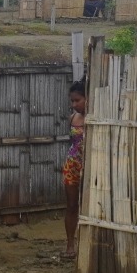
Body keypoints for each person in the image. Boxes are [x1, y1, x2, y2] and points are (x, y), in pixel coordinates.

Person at [63, 80, 87, 258]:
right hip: (72, 166)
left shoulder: (96, 118)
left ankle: (87, 243)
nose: (74, 104)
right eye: (72, 101)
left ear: (87, 98)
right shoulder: (73, 119)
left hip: (90, 166)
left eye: (77, 100)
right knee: (71, 205)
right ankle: (70, 244)